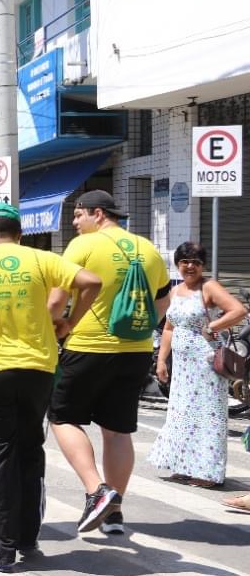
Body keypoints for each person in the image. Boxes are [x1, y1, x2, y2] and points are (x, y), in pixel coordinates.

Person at [0, 204, 101, 572]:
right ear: (21, 234)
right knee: (29, 449)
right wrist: (69, 321)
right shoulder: (41, 259)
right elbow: (92, 282)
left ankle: (1, 549)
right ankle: (27, 536)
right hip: (38, 369)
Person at [48, 190, 170, 536]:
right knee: (117, 430)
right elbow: (162, 303)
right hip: (134, 351)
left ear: (97, 214)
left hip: (87, 347)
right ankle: (114, 514)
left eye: (77, 215)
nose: (74, 222)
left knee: (63, 416)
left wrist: (57, 328)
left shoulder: (83, 247)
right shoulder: (148, 249)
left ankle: (95, 491)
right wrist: (140, 330)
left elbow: (57, 300)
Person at [149, 242, 247, 488]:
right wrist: (161, 360)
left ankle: (207, 472)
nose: (189, 266)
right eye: (184, 261)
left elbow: (238, 310)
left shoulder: (209, 286)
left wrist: (212, 327)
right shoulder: (175, 290)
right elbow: (169, 327)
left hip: (205, 363)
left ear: (202, 265)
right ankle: (183, 465)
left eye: (195, 262)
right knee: (182, 413)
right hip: (182, 366)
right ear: (177, 264)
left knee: (207, 415)